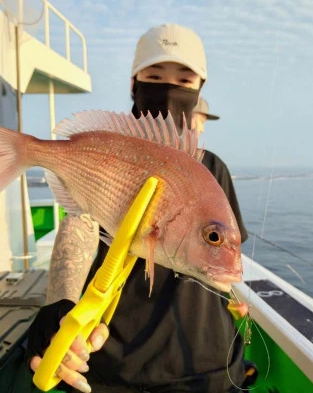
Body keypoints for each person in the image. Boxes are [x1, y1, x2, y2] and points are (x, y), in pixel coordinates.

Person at [27, 24, 248, 393]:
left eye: (184, 78)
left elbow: (222, 262)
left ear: (198, 89)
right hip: (111, 365)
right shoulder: (111, 155)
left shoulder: (213, 170)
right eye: (155, 76)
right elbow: (80, 223)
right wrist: (61, 302)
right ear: (134, 84)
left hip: (204, 368)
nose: (169, 88)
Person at [192, 98, 247, 243]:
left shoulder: (143, 157)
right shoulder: (213, 164)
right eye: (201, 121)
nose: (202, 129)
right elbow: (232, 233)